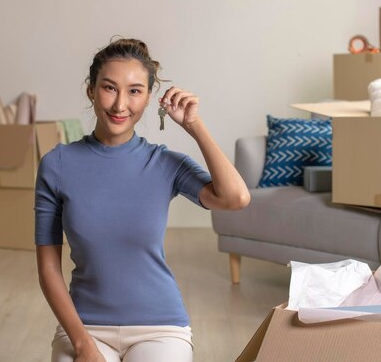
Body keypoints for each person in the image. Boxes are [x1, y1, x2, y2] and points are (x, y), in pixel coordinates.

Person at [35, 37, 250, 362]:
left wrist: (194, 125)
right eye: (109, 88)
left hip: (160, 326)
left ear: (150, 97)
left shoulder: (165, 163)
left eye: (134, 91)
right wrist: (83, 346)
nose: (120, 105)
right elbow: (48, 267)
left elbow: (235, 198)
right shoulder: (58, 163)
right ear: (91, 89)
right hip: (84, 325)